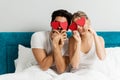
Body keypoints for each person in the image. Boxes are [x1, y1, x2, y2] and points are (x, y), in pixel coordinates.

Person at [31, 9, 72, 74]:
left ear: (67, 28)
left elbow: (61, 70)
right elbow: (44, 66)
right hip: (40, 72)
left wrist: (57, 47)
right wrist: (56, 45)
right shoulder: (38, 36)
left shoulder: (69, 42)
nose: (59, 27)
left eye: (63, 25)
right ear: (51, 24)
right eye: (56, 23)